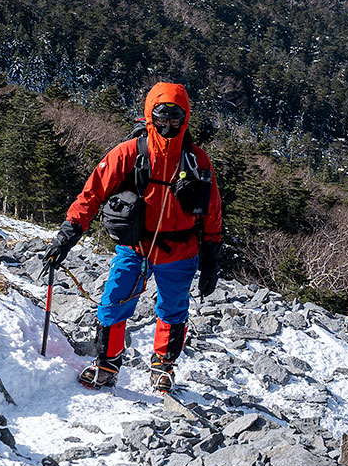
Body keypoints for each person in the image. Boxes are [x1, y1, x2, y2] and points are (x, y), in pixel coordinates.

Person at [43, 81, 223, 392]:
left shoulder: (197, 160)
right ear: (150, 115)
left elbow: (212, 210)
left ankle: (163, 366)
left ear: (185, 119)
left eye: (175, 119)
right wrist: (67, 235)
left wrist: (212, 259)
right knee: (114, 300)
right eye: (162, 117)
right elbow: (92, 194)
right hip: (135, 246)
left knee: (173, 308)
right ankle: (107, 364)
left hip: (180, 249)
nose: (168, 126)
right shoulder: (129, 152)